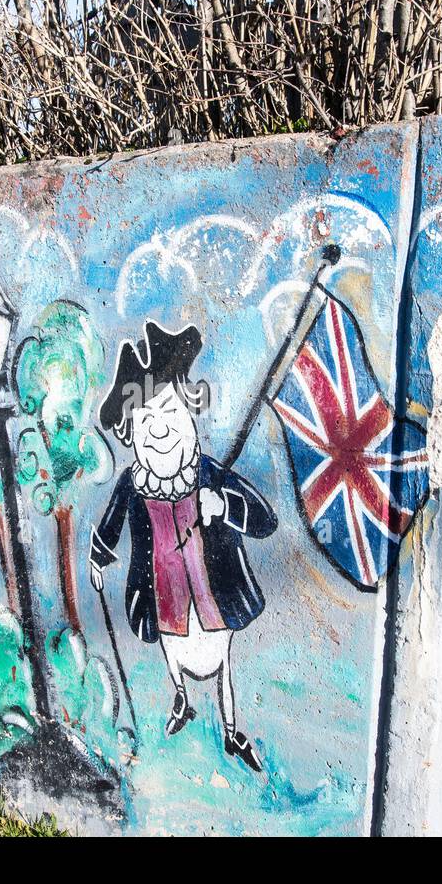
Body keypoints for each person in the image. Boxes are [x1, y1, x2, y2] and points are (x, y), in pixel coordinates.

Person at [89, 321, 277, 772]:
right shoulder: (134, 485)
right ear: (132, 435)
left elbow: (265, 519)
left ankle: (231, 733)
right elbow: (111, 524)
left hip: (211, 595)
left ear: (189, 412)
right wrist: (99, 556)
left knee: (220, 660)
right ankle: (180, 698)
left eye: (169, 413)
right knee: (173, 649)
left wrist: (224, 505)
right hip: (163, 596)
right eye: (146, 421)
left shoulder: (208, 474)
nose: (160, 429)